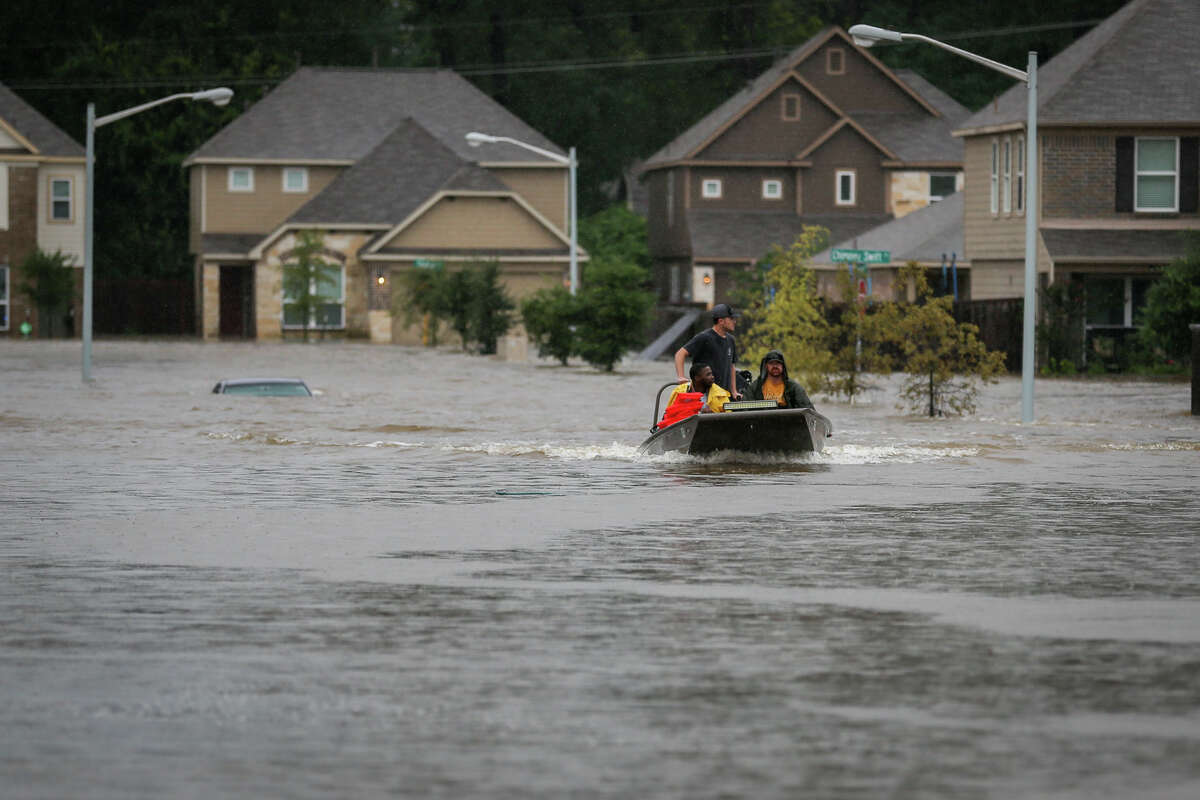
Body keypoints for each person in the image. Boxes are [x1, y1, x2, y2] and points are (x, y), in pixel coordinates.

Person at [674, 303, 741, 398]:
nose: (734, 321)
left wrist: (734, 391)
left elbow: (732, 367)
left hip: (723, 394)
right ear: (721, 321)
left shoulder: (731, 340)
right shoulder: (704, 337)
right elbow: (680, 354)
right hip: (704, 394)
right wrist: (681, 377)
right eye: (731, 319)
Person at [658, 362, 730, 428]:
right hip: (684, 430)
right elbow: (668, 416)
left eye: (711, 374)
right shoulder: (680, 391)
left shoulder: (720, 393)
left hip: (712, 430)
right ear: (697, 378)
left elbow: (729, 419)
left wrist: (712, 415)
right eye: (708, 374)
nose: (712, 377)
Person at [743, 349, 814, 409]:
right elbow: (744, 409)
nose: (775, 366)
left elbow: (809, 411)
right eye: (771, 363)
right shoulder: (756, 387)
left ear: (783, 366)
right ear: (766, 366)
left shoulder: (793, 387)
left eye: (778, 363)